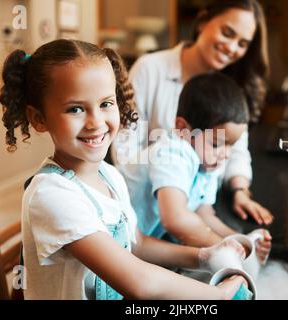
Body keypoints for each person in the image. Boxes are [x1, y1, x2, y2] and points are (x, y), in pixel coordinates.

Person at [0, 39, 251, 300]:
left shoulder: (110, 176)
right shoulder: (51, 194)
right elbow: (138, 282)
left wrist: (203, 256)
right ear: (39, 118)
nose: (96, 122)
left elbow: (136, 243)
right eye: (75, 109)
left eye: (106, 104)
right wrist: (216, 295)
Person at [113, 0, 273, 226]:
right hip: (145, 209)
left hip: (200, 206)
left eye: (243, 43)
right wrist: (168, 190)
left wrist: (240, 191)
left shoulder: (231, 86)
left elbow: (237, 150)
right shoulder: (150, 68)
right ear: (203, 22)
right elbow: (125, 148)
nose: (232, 47)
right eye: (227, 33)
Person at [117, 72, 272, 262]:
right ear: (183, 129)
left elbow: (204, 215)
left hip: (139, 244)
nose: (225, 154)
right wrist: (225, 249)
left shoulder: (207, 161)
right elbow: (175, 219)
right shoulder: (172, 152)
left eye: (231, 144)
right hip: (112, 240)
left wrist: (242, 242)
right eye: (216, 143)